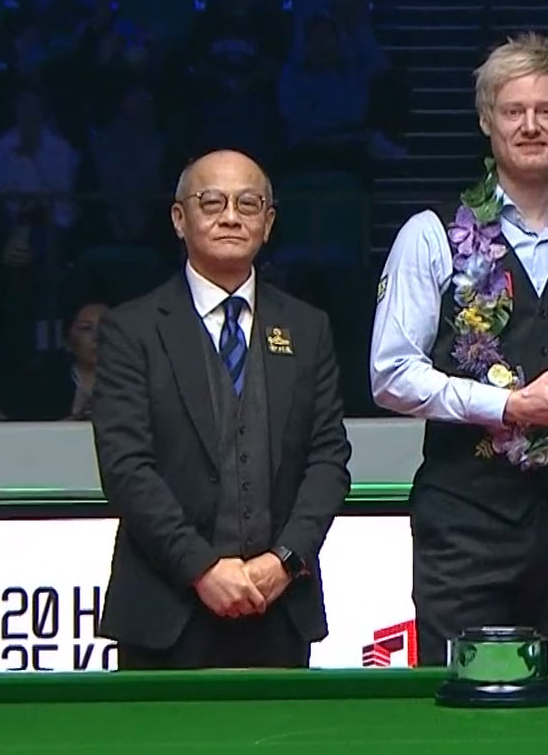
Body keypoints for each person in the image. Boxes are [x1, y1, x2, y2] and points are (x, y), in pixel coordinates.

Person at [370, 32, 548, 666]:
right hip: (464, 523)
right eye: (513, 111)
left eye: (546, 110)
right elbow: (390, 375)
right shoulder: (430, 234)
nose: (530, 125)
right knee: (463, 705)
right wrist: (508, 406)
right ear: (486, 121)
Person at [90, 149, 352, 669]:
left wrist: (285, 561)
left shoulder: (307, 328)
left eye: (247, 204)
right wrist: (202, 569)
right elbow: (126, 469)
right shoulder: (131, 330)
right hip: (165, 614)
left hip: (278, 608)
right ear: (179, 218)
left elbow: (329, 461)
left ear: (268, 222)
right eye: (212, 202)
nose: (231, 216)